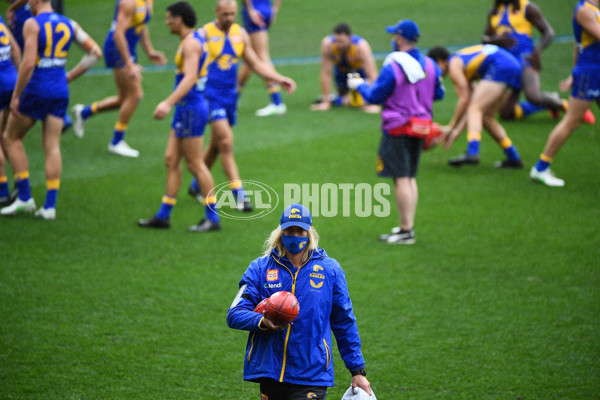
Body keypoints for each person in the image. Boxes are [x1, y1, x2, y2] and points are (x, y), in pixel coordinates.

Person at [227, 203, 372, 400]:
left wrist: (357, 370)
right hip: (271, 372)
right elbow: (234, 314)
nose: (294, 236)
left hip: (312, 372)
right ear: (280, 231)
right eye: (289, 230)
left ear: (309, 232)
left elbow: (343, 321)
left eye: (300, 230)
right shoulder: (260, 268)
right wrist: (263, 322)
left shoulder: (330, 270)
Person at [187, 0, 296, 212]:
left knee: (217, 144)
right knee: (226, 141)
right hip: (210, 96)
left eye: (232, 14)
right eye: (225, 14)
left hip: (230, 96)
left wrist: (279, 78)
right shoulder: (204, 34)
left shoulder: (241, 34)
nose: (229, 18)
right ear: (216, 12)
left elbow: (255, 64)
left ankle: (196, 185)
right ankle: (240, 195)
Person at [347, 20, 444, 245]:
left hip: (398, 126)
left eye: (394, 36)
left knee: (400, 177)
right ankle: (407, 228)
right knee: (409, 176)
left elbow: (374, 97)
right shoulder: (430, 64)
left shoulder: (394, 65)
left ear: (399, 39)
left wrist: (359, 84)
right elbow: (438, 94)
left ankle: (406, 230)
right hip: (421, 126)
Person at [0, 0, 99, 219]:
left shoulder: (32, 24)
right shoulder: (69, 24)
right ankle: (49, 207)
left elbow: (27, 65)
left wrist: (17, 95)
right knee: (52, 145)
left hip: (36, 89)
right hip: (59, 90)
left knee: (10, 138)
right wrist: (70, 76)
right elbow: (94, 53)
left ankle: (24, 198)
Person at [138, 1, 220, 232]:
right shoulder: (191, 40)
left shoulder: (192, 43)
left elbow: (191, 77)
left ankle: (212, 218)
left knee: (195, 164)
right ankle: (163, 216)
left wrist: (167, 102)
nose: (166, 22)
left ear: (179, 19)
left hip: (191, 108)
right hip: (186, 108)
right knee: (171, 159)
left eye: (169, 18)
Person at [71, 0, 167, 158]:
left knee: (124, 99)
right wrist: (129, 64)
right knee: (135, 95)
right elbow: (118, 33)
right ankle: (116, 142)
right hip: (117, 49)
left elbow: (141, 24)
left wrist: (149, 51)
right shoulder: (128, 2)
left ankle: (84, 112)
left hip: (128, 49)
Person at [483, 0, 595, 124]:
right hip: (507, 64)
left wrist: (537, 51)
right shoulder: (495, 11)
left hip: (526, 59)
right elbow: (485, 39)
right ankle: (548, 104)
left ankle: (566, 106)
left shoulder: (527, 7)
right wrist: (495, 40)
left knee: (533, 97)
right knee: (506, 113)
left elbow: (548, 33)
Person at [530, 0, 600, 187]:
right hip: (591, 73)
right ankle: (540, 168)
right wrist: (578, 72)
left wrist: (573, 73)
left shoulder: (593, 10)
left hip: (592, 71)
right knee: (572, 121)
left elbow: (577, 45)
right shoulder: (584, 10)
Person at [427, 44, 524, 168]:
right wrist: (456, 131)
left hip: (501, 66)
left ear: (440, 61)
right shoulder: (464, 66)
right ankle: (513, 157)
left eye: (435, 66)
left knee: (476, 109)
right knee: (486, 117)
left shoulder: (453, 65)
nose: (436, 72)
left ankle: (472, 152)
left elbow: (465, 99)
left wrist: (451, 126)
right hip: (512, 66)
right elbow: (470, 106)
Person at [310, 23, 379, 114]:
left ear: (349, 37)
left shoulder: (360, 46)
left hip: (359, 75)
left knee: (359, 102)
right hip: (341, 74)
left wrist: (373, 102)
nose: (338, 45)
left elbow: (372, 74)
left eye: (341, 41)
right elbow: (326, 73)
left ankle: (337, 99)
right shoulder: (328, 44)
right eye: (337, 41)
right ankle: (334, 98)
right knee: (351, 100)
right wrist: (326, 103)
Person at [237, 0, 287, 117]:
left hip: (254, 11)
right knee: (248, 58)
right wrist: (274, 9)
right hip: (266, 10)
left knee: (262, 57)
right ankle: (233, 99)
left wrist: (250, 10)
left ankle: (277, 102)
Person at [0, 15, 21, 206]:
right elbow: (15, 49)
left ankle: (2, 191)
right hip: (12, 82)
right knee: (7, 137)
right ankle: (22, 188)